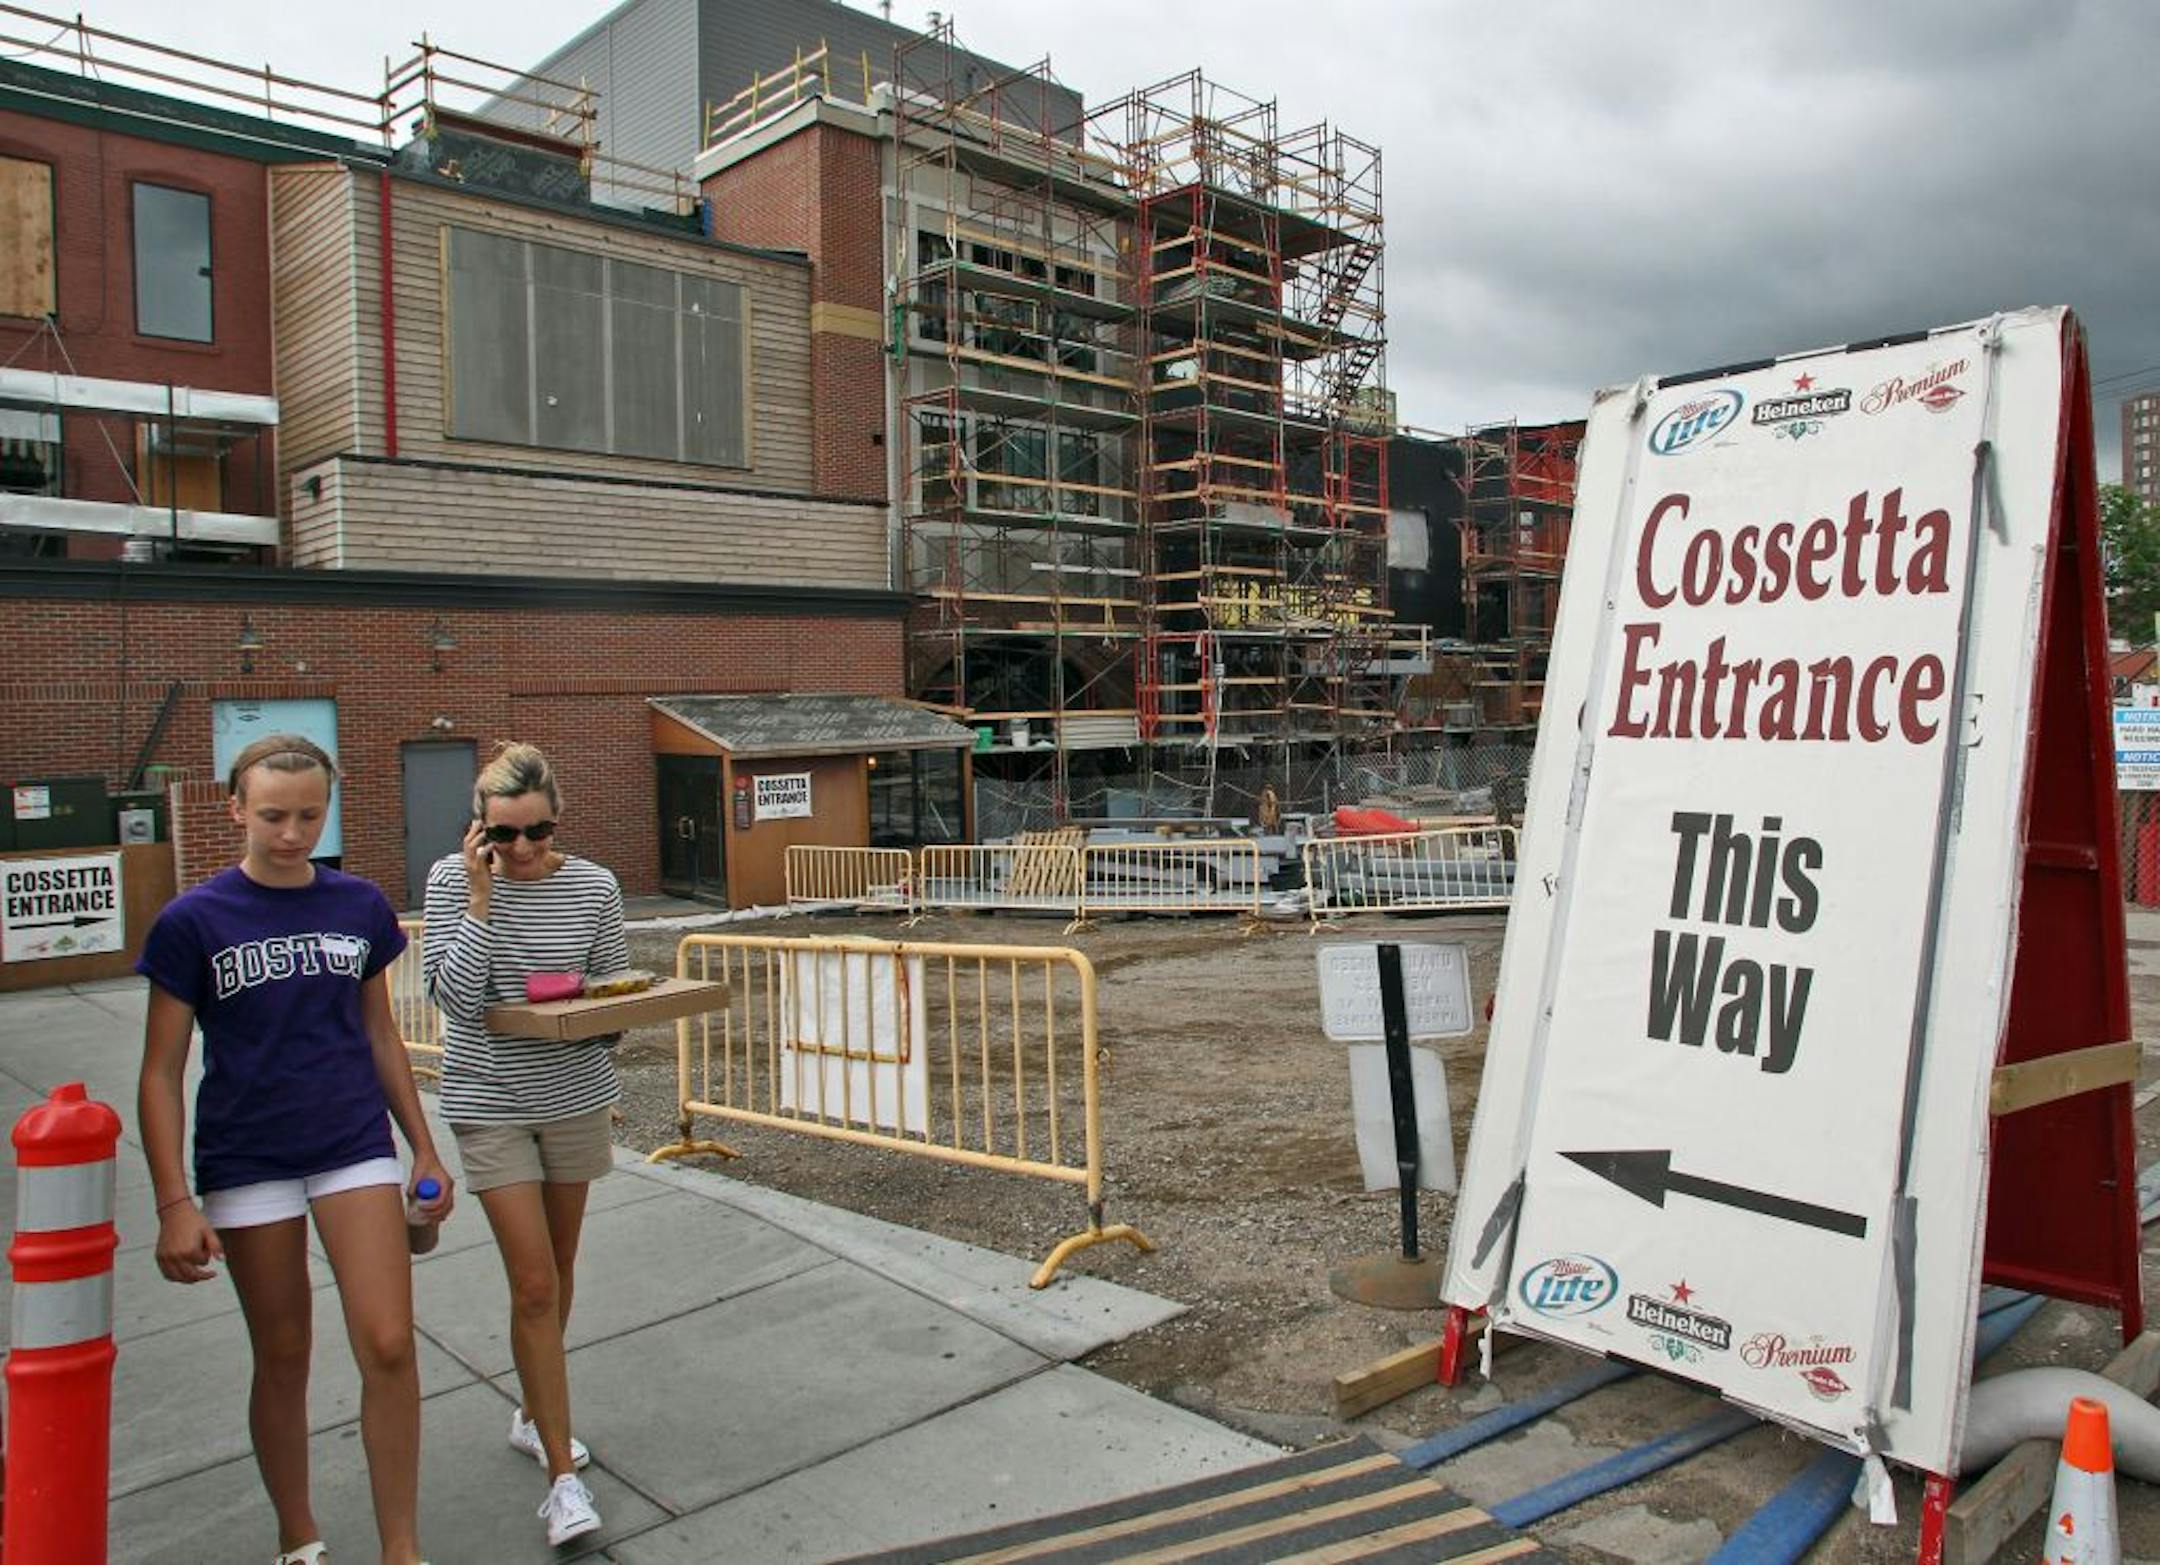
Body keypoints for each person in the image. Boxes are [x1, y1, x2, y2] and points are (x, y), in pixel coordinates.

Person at [138, 734, 451, 1565]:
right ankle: (298, 1534)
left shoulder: (358, 905)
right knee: (282, 1353)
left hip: (351, 1139)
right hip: (247, 1160)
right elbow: (160, 1069)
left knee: (388, 1340)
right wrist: (174, 1200)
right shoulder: (192, 921)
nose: (291, 831)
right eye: (273, 814)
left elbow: (381, 1035)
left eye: (309, 813)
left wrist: (424, 1148)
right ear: (235, 807)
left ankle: (401, 1547)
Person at [422, 743, 625, 1547]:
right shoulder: (454, 880)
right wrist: (479, 899)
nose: (525, 849)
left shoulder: (594, 885)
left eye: (539, 831)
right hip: (492, 1101)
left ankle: (535, 1411)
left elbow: (613, 994)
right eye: (505, 835)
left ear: (556, 820)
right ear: (479, 831)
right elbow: (453, 998)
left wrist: (590, 1015)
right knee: (534, 1282)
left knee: (561, 1268)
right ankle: (562, 1483)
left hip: (573, 1094)